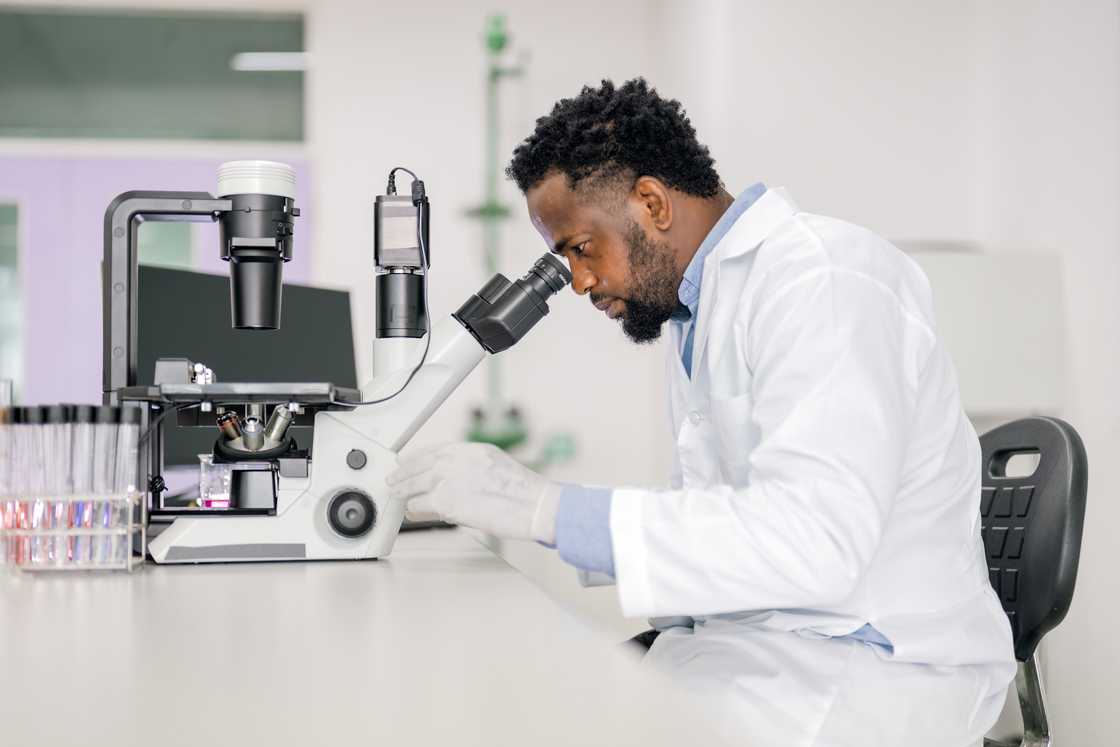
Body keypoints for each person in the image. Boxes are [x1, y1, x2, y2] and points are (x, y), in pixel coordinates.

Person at [386, 78, 1014, 746]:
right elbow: (727, 522)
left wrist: (548, 510)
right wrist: (545, 519)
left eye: (578, 247)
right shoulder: (698, 310)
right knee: (515, 698)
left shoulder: (824, 281)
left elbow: (813, 540)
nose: (577, 281)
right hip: (757, 650)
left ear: (651, 202)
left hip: (863, 673)